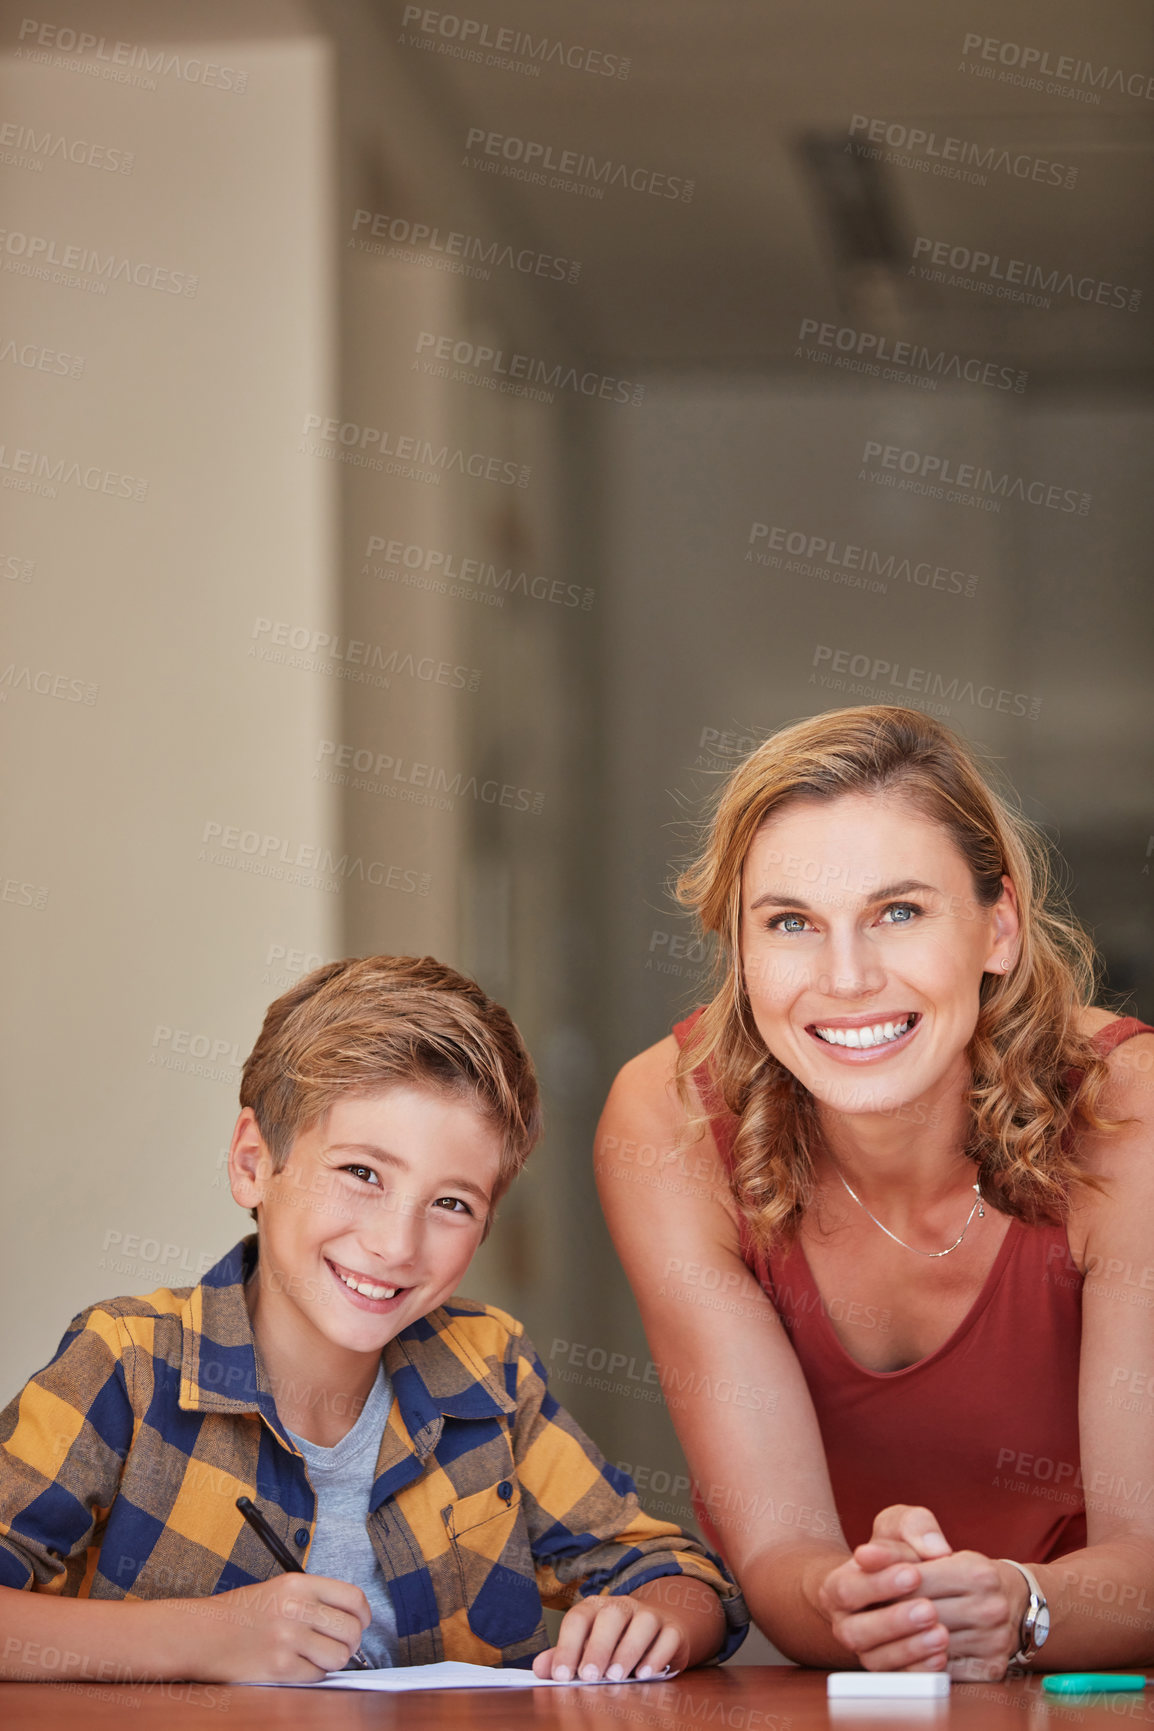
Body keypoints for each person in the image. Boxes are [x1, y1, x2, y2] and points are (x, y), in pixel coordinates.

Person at [0, 955, 747, 1685]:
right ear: (254, 1162)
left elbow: (674, 1572)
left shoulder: (488, 1368)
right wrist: (204, 1636)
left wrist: (660, 1617)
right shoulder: (129, 1363)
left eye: (452, 1203)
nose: (396, 1243)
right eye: (362, 1173)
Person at [597, 705, 1154, 1680]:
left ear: (997, 927)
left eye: (897, 912)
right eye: (789, 924)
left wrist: (1016, 1605)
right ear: (739, 947)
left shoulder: (1130, 1118)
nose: (845, 977)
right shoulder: (665, 1124)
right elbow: (776, 1552)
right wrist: (853, 1605)